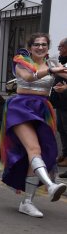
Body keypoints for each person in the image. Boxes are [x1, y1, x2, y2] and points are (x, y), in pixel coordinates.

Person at [2, 32, 67, 218]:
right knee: (34, 148)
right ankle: (50, 185)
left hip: (42, 109)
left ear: (48, 47)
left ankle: (27, 202)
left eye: (44, 44)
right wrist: (52, 71)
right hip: (21, 107)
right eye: (36, 44)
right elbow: (29, 78)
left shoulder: (53, 64)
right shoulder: (21, 61)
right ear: (30, 48)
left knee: (41, 152)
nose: (40, 47)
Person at [51, 37, 67, 175]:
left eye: (60, 47)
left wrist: (54, 70)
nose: (59, 49)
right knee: (61, 129)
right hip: (60, 102)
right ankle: (65, 155)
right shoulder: (61, 61)